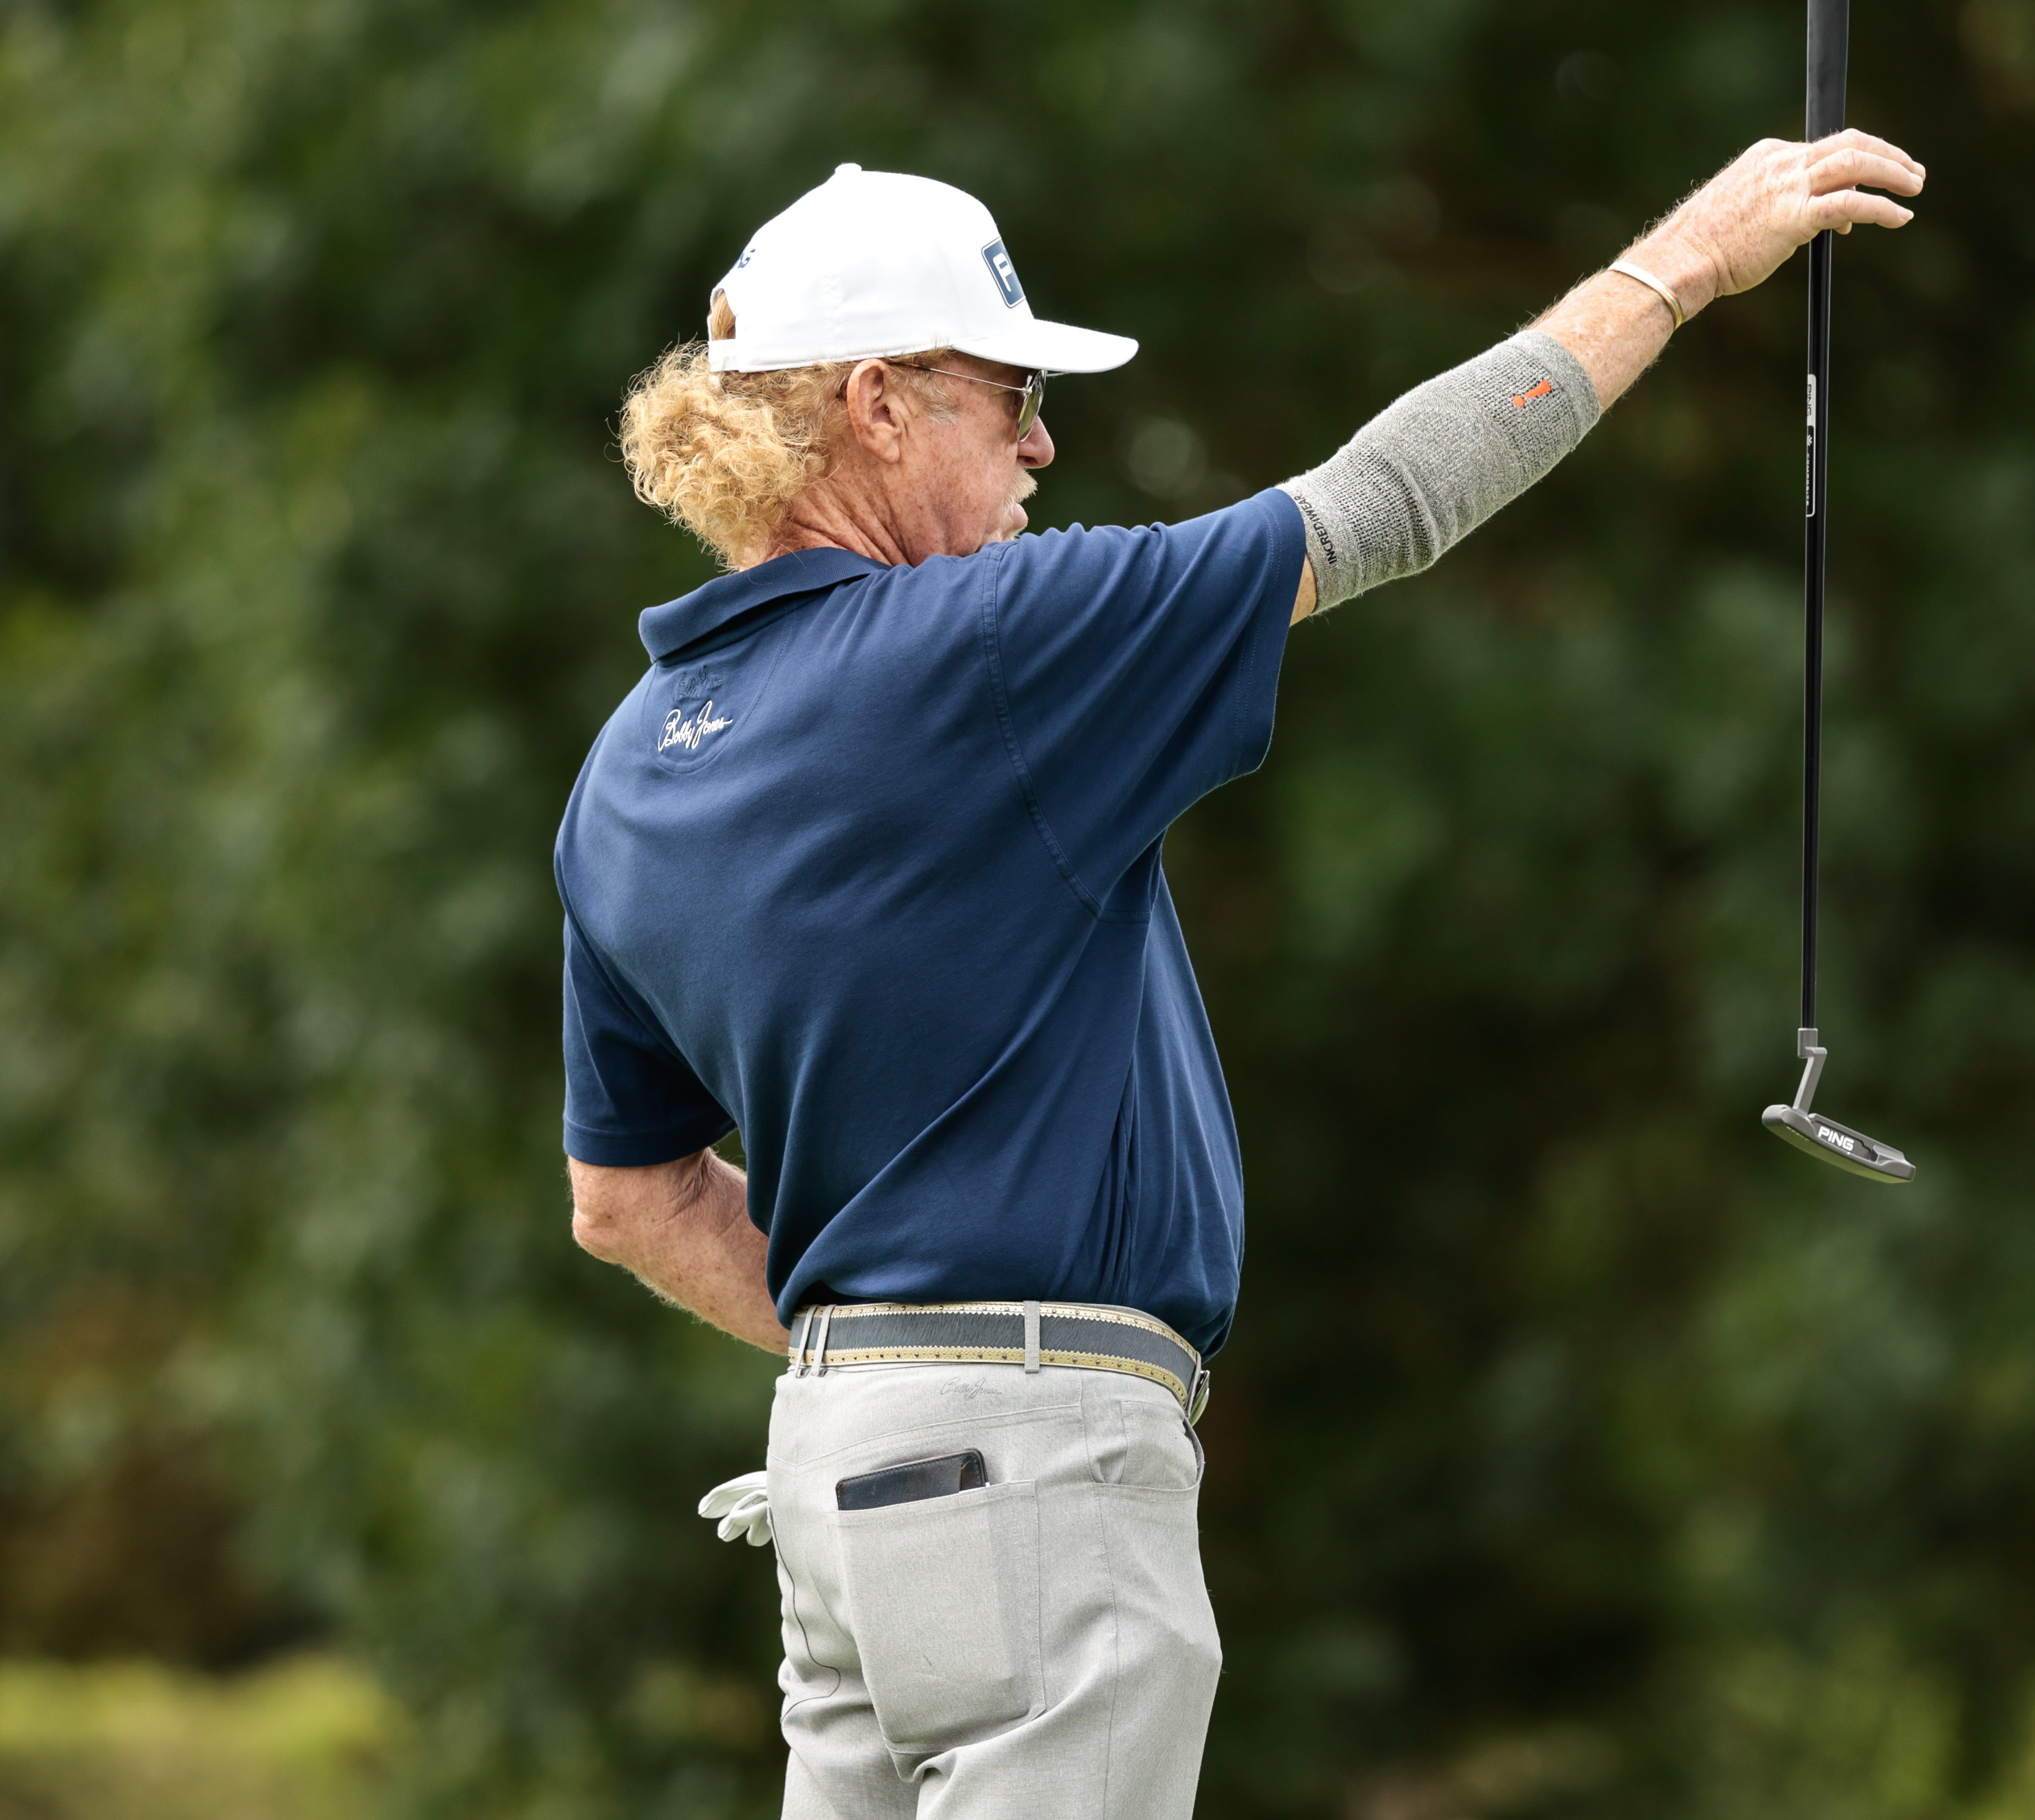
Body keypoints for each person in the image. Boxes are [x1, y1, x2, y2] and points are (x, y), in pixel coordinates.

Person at [554, 134, 1925, 1817]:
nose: (1043, 442)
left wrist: (888, 1365)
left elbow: (625, 1201)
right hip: (1031, 1458)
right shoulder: (984, 640)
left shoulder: (624, 769)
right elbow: (1386, 500)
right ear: (878, 406)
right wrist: (1685, 264)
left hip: (832, 1471)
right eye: (1011, 395)